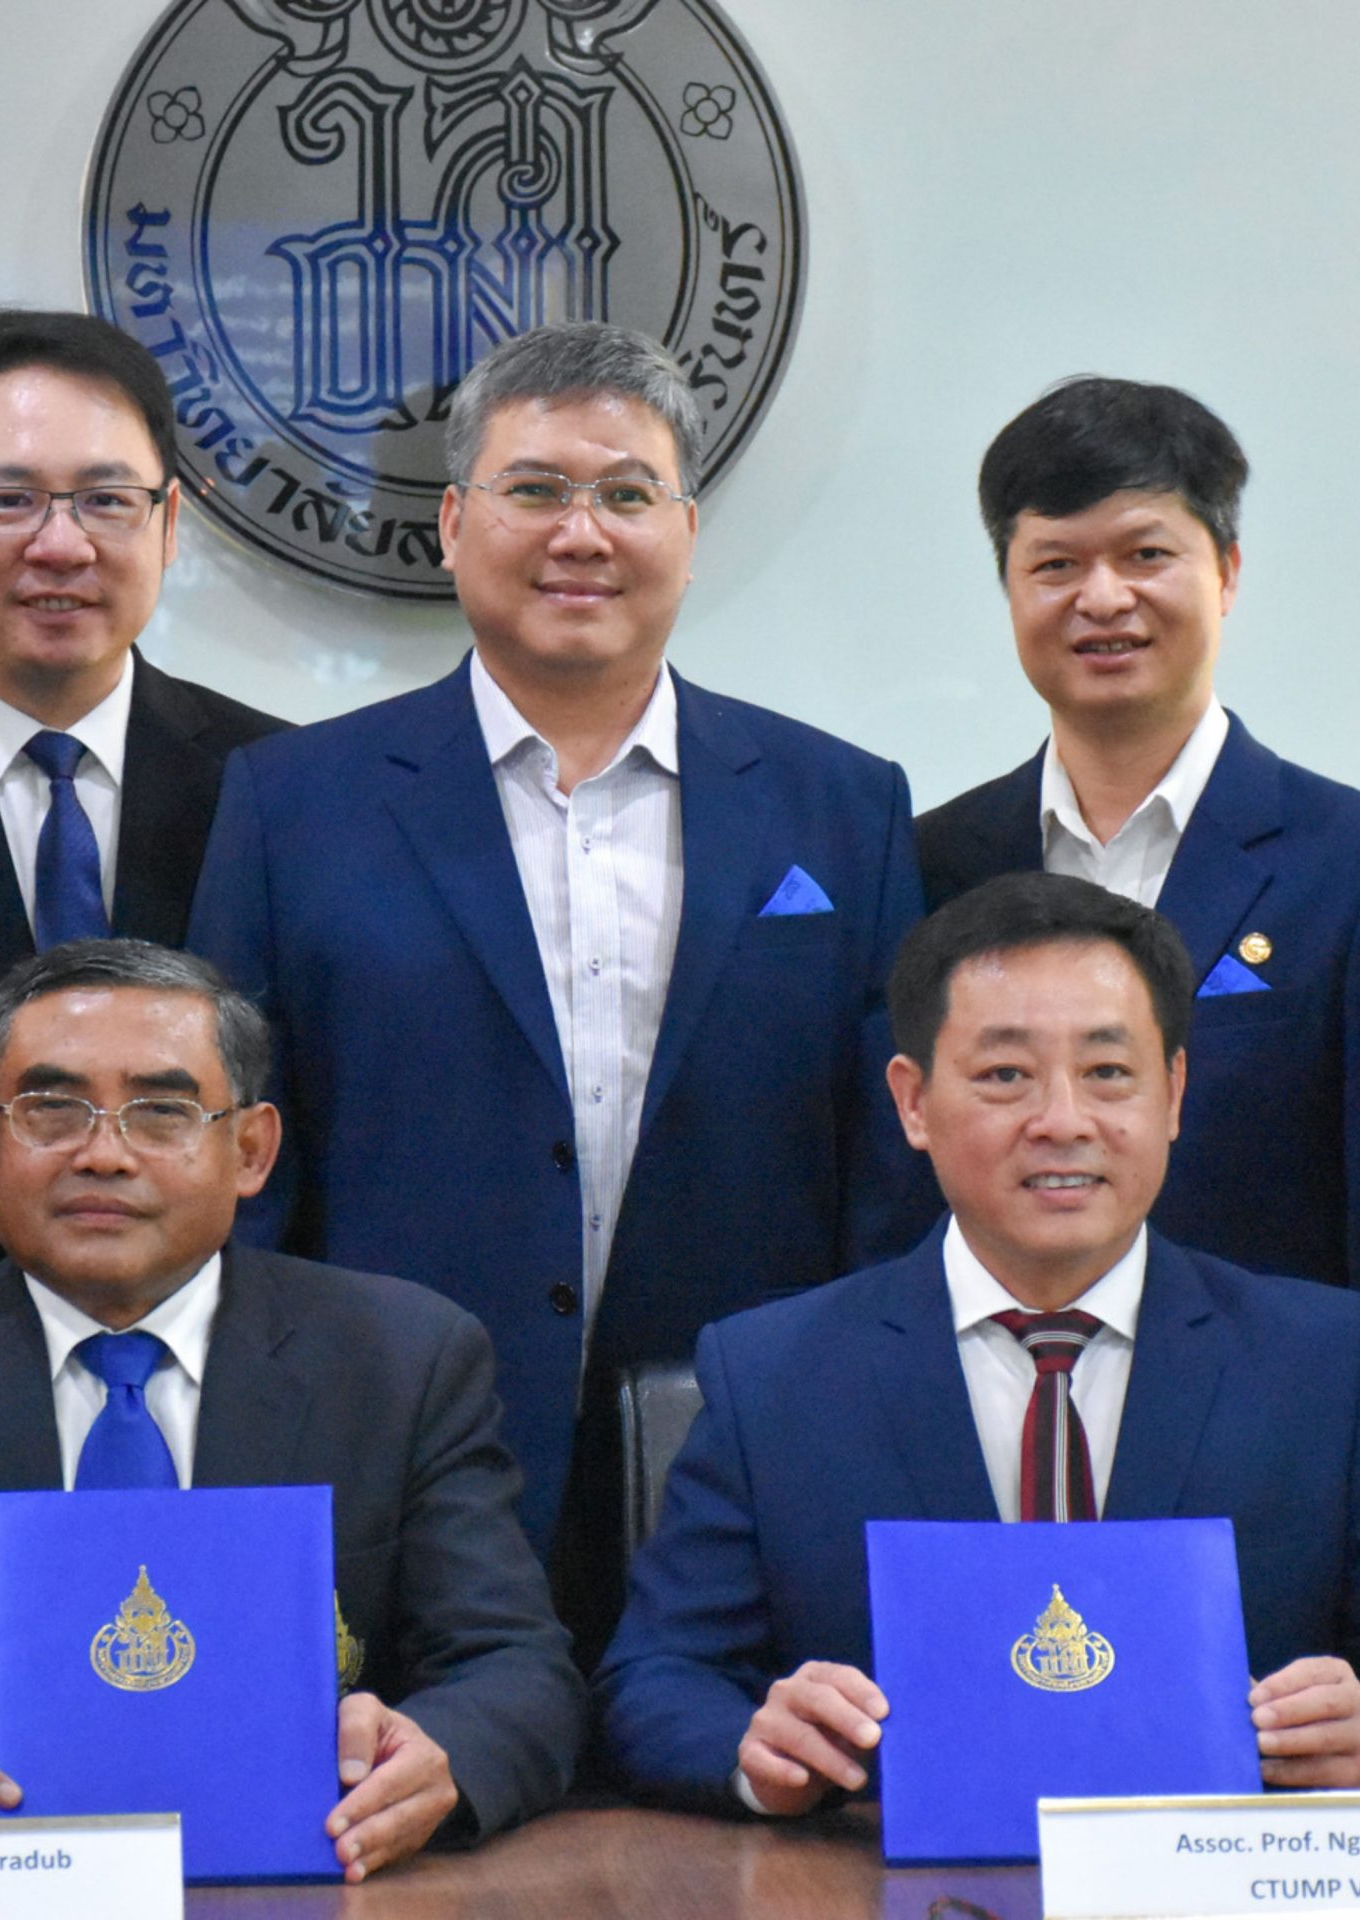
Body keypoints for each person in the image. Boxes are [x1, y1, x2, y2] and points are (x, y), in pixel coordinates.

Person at [187, 321, 940, 1648]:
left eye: (626, 494)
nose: (580, 534)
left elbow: (890, 1177)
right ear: (453, 523)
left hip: (742, 1470)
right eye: (534, 490)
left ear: (689, 531)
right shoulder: (293, 805)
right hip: (397, 1472)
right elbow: (239, 1173)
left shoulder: (842, 809)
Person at [0, 941, 583, 1882]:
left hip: (305, 1886)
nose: (104, 1154)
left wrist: (439, 1754)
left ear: (250, 1151)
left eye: (162, 1112)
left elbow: (518, 1669)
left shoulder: (402, 1358)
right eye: (52, 1109)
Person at [595, 875, 1360, 1812]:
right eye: (1005, 1076)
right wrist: (753, 1747)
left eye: (1108, 1073)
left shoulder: (1317, 1364)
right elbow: (654, 1676)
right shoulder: (773, 1376)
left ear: (1173, 1093)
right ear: (913, 1101)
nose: (1062, 1121)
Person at [915, 379, 1360, 1300]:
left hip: (1269, 1418)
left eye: (1145, 554)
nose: (1102, 597)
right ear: (1008, 586)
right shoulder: (935, 865)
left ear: (1228, 572)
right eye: (1055, 565)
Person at [0, 307, 290, 988]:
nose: (61, 546)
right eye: (9, 499)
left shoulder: (274, 786)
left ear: (168, 525)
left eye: (106, 500)